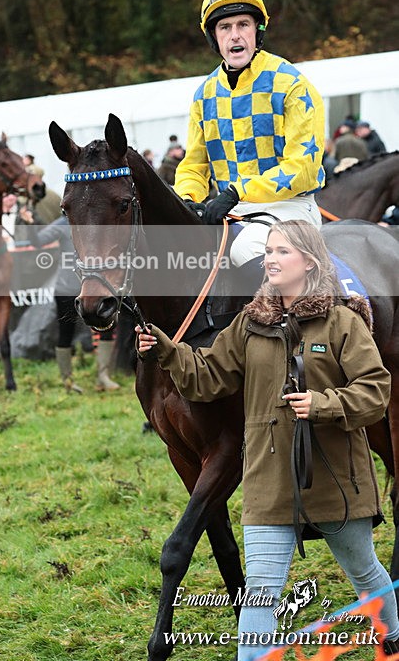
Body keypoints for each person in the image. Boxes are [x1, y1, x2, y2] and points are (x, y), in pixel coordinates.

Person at [136, 220, 399, 658]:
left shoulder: (342, 322)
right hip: (268, 482)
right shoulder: (249, 324)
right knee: (260, 588)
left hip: (335, 479)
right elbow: (207, 378)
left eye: (283, 252)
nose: (271, 260)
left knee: (365, 572)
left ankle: (392, 633)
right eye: (269, 251)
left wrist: (323, 405)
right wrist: (167, 350)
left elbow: (374, 391)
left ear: (310, 262)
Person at [174, 0, 325, 284]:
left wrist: (236, 192)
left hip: (290, 207)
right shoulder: (204, 95)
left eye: (243, 24)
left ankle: (285, 328)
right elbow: (193, 165)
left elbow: (303, 168)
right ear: (214, 38)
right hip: (232, 211)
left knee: (246, 249)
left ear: (258, 31)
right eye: (225, 27)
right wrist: (186, 200)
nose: (235, 35)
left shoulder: (292, 84)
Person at [37, 215, 120, 392]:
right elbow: (38, 240)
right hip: (66, 289)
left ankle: (103, 376)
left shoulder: (97, 222)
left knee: (108, 327)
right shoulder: (61, 224)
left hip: (97, 287)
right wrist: (29, 220)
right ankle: (67, 381)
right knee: (65, 332)